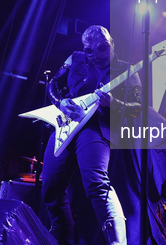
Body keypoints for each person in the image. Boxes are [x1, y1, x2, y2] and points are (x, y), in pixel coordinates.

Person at [41, 25, 139, 245]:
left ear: (112, 45)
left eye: (102, 48)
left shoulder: (128, 70)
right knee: (49, 186)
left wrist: (115, 103)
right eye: (89, 50)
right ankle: (61, 239)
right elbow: (53, 85)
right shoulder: (74, 59)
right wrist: (60, 102)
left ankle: (117, 242)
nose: (96, 55)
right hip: (65, 127)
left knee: (96, 181)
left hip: (97, 127)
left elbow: (138, 107)